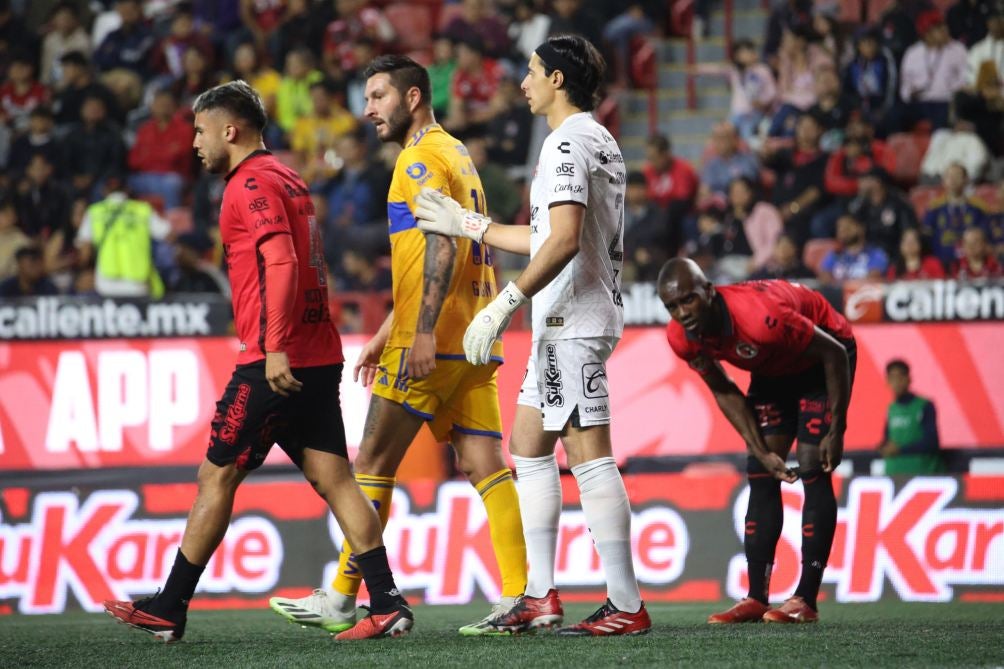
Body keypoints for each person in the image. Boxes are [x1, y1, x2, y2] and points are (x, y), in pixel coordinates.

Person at [102, 80, 412, 642]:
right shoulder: (289, 176)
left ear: (230, 130)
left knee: (215, 474)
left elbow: (284, 262)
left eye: (200, 130)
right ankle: (387, 599)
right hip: (318, 354)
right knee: (335, 477)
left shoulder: (250, 183)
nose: (193, 142)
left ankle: (170, 606)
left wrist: (273, 347)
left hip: (277, 359)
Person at [266, 55, 528, 637]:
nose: (367, 109)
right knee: (486, 463)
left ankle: (342, 596)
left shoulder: (417, 159)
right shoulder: (457, 151)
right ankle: (523, 595)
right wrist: (386, 329)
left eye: (379, 95)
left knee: (372, 465)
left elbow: (441, 246)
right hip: (476, 338)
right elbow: (433, 251)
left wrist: (419, 332)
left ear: (413, 97)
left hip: (433, 338)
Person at [414, 34, 651, 636]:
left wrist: (506, 301)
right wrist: (469, 223)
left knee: (589, 454)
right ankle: (540, 596)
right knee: (528, 444)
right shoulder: (593, 137)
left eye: (532, 71)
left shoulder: (568, 141)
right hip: (569, 318)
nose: (522, 82)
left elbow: (565, 240)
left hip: (573, 318)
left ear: (558, 81)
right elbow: (549, 232)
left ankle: (624, 604)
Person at [657, 258, 854, 624]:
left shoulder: (761, 318)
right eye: (672, 306)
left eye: (688, 300)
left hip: (822, 361)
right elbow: (723, 390)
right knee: (760, 472)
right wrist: (760, 450)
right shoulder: (681, 337)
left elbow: (835, 353)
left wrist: (836, 429)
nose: (681, 313)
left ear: (709, 292)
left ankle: (805, 600)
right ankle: (756, 598)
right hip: (772, 367)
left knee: (812, 464)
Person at [880, 359, 945, 474]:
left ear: (909, 379)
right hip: (893, 475)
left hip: (922, 475)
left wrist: (900, 450)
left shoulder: (924, 406)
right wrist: (883, 447)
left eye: (900, 377)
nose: (897, 382)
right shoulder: (891, 409)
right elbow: (887, 440)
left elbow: (932, 442)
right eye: (892, 378)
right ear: (887, 381)